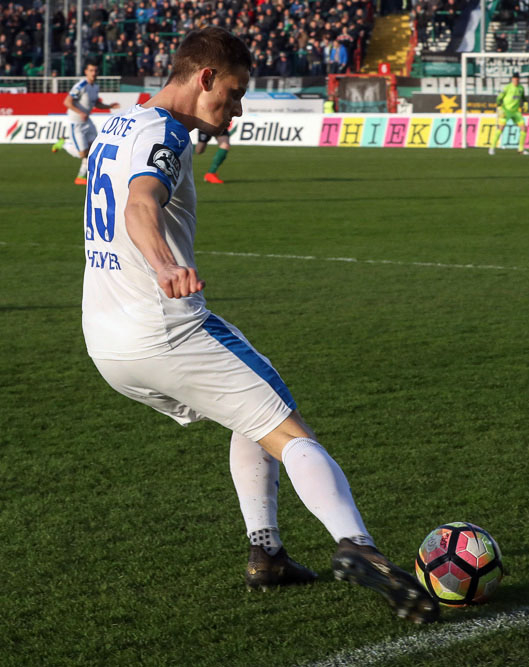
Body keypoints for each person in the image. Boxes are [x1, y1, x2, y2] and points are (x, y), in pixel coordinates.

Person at [80, 27, 439, 624]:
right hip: (164, 328)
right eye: (235, 93)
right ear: (204, 78)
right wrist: (166, 265)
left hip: (105, 342)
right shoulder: (166, 133)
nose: (238, 110)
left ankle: (266, 556)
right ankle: (358, 546)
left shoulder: (121, 123)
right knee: (287, 427)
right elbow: (140, 203)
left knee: (256, 397)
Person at [51, 61, 120, 185]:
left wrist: (109, 106)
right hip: (76, 123)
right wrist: (80, 112)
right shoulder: (81, 85)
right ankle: (64, 143)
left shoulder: (95, 86)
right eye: (91, 70)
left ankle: (81, 177)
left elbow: (96, 103)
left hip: (87, 122)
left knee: (95, 148)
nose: (94, 73)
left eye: (95, 71)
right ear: (86, 72)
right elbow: (67, 102)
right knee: (82, 153)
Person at [489, 72, 529, 156]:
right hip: (506, 111)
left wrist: (525, 102)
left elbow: (523, 97)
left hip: (515, 112)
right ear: (512, 79)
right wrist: (500, 108)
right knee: (501, 129)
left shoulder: (521, 88)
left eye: (517, 79)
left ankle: (521, 149)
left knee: (524, 128)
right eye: (514, 79)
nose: (516, 81)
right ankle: (492, 147)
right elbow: (499, 98)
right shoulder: (507, 88)